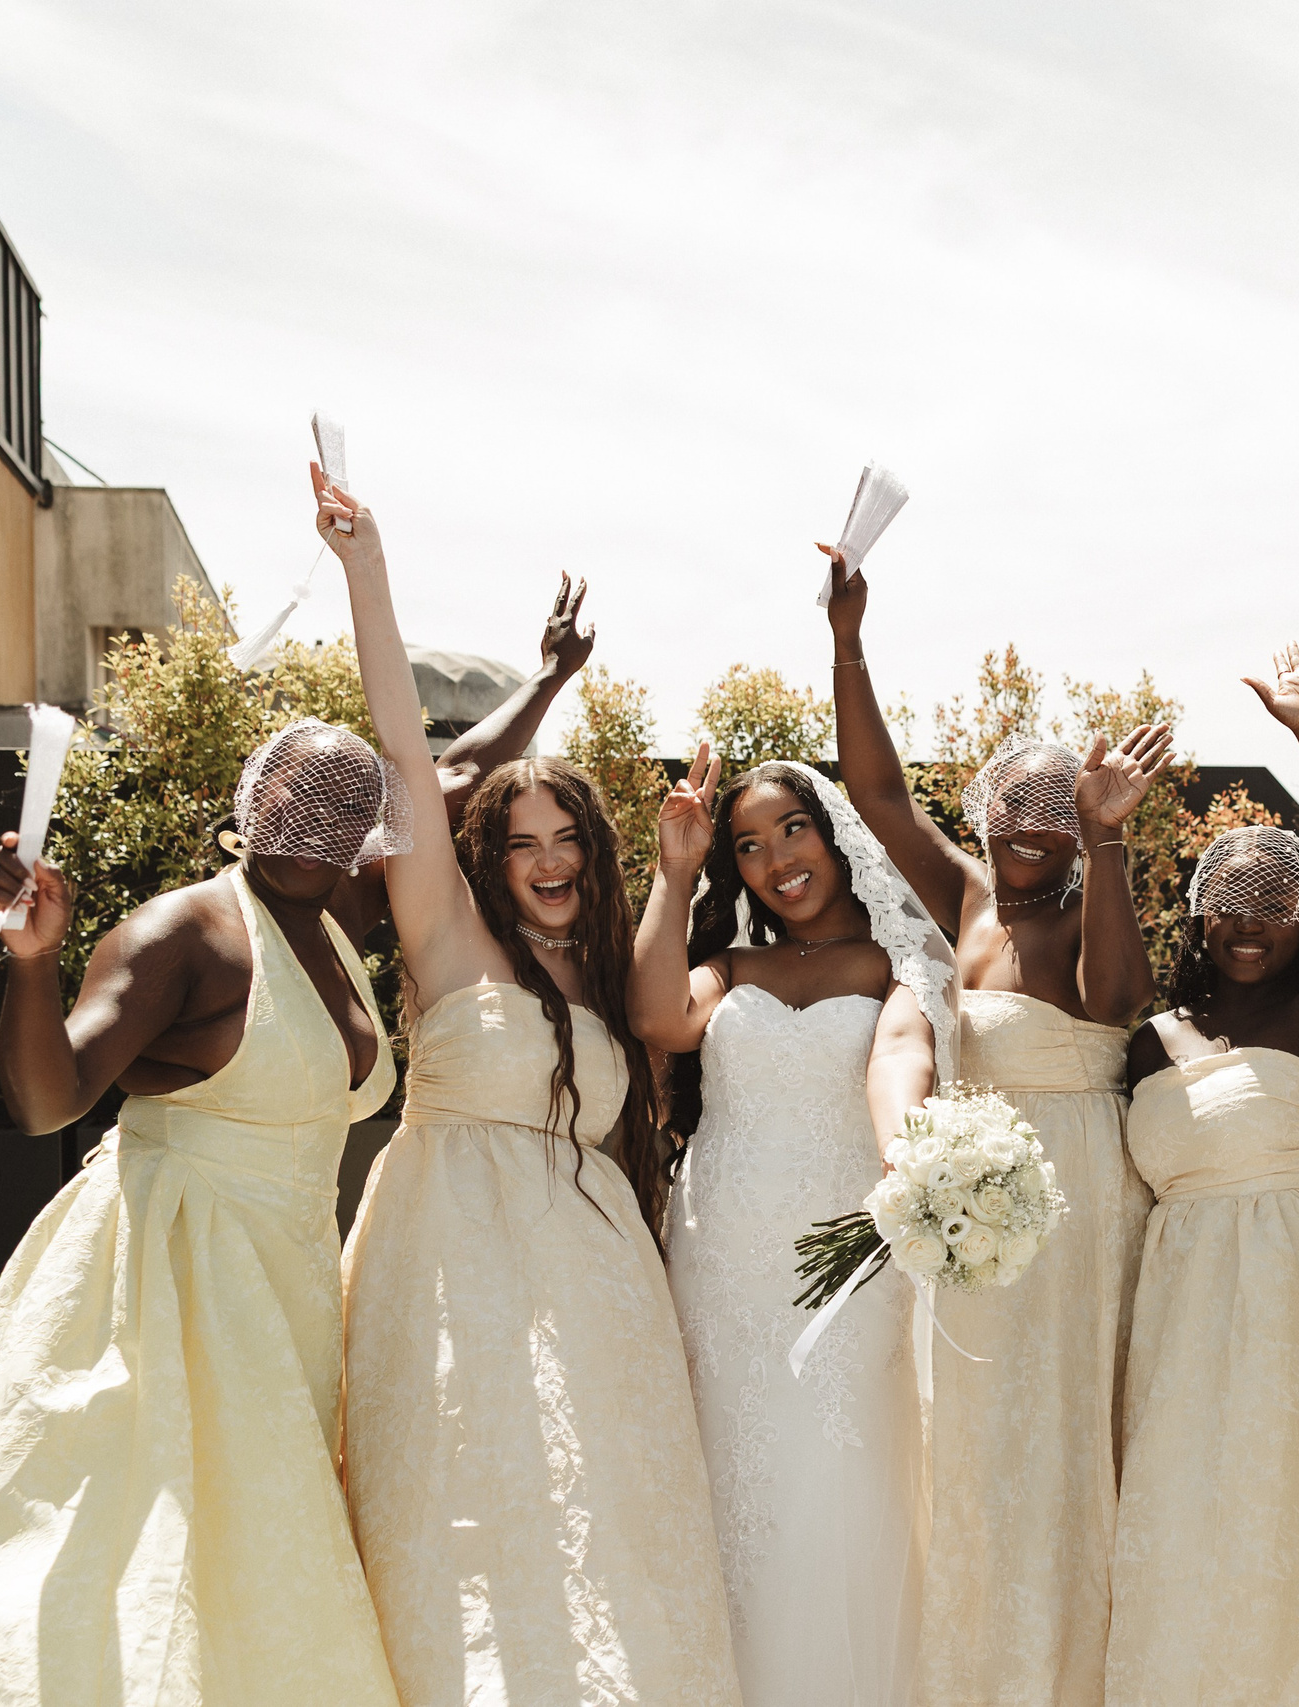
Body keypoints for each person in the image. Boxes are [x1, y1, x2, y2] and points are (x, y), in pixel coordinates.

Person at [0, 580, 595, 1707]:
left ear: (368, 823)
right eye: (291, 791)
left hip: (288, 1282)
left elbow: (458, 771)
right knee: (144, 1559)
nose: (312, 815)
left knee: (260, 1560)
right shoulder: (181, 933)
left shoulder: (343, 915)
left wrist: (549, 677)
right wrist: (34, 964)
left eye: (342, 801)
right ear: (249, 800)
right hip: (167, 1283)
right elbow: (49, 1101)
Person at [321, 465, 738, 1706]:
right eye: (522, 845)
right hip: (447, 1265)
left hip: (597, 1292)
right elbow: (405, 756)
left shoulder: (605, 981)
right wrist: (367, 568)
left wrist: (676, 873)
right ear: (488, 861)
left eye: (568, 842)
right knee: (460, 1508)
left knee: (599, 1521)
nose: (548, 863)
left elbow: (664, 1015)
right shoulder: (448, 941)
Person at [824, 549, 1169, 1706]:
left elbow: (1117, 999)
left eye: (1058, 806)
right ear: (982, 808)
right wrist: (848, 639)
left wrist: (1108, 839)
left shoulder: (1087, 899)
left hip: (1074, 1203)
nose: (1031, 822)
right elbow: (876, 794)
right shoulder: (965, 898)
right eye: (1013, 801)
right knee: (971, 1437)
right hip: (970, 1202)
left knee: (1058, 1437)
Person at [628, 748, 954, 1707]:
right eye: (749, 845)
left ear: (835, 834)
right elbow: (656, 1015)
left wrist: (905, 1155)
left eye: (794, 829)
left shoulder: (899, 964)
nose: (777, 859)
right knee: (725, 1480)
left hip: (843, 1262)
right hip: (720, 1257)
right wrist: (675, 871)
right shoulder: (730, 966)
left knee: (835, 1478)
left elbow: (899, 1057)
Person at [1108, 645, 1299, 1704]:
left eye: (1276, 900)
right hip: (1177, 1319)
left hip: (1297, 1315)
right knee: (1182, 1524)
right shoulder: (1150, 1041)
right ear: (1197, 914)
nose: (1248, 921)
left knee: (1291, 1520)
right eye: (1228, 899)